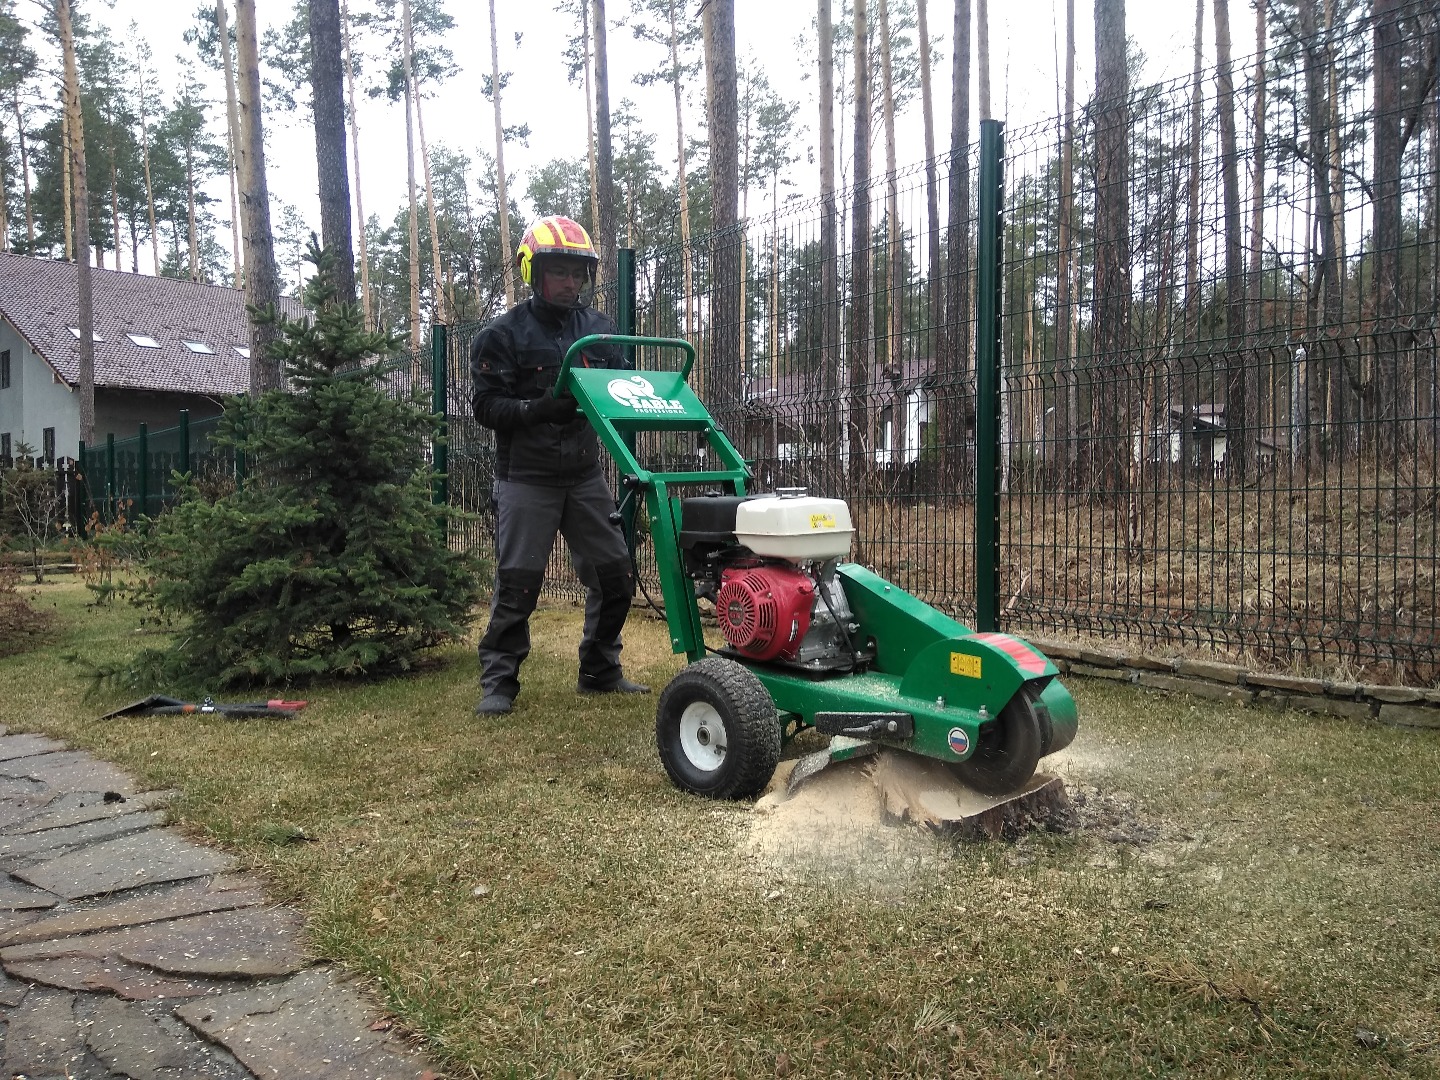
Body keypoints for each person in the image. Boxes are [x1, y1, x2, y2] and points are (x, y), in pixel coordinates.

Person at [469, 215, 649, 716]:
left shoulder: (598, 332)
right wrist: (536, 410)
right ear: (534, 272)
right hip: (526, 476)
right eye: (560, 272)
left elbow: (622, 388)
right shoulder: (501, 336)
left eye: (579, 273)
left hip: (585, 474)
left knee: (615, 574)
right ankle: (499, 681)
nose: (571, 283)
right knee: (519, 582)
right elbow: (486, 408)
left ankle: (600, 670)